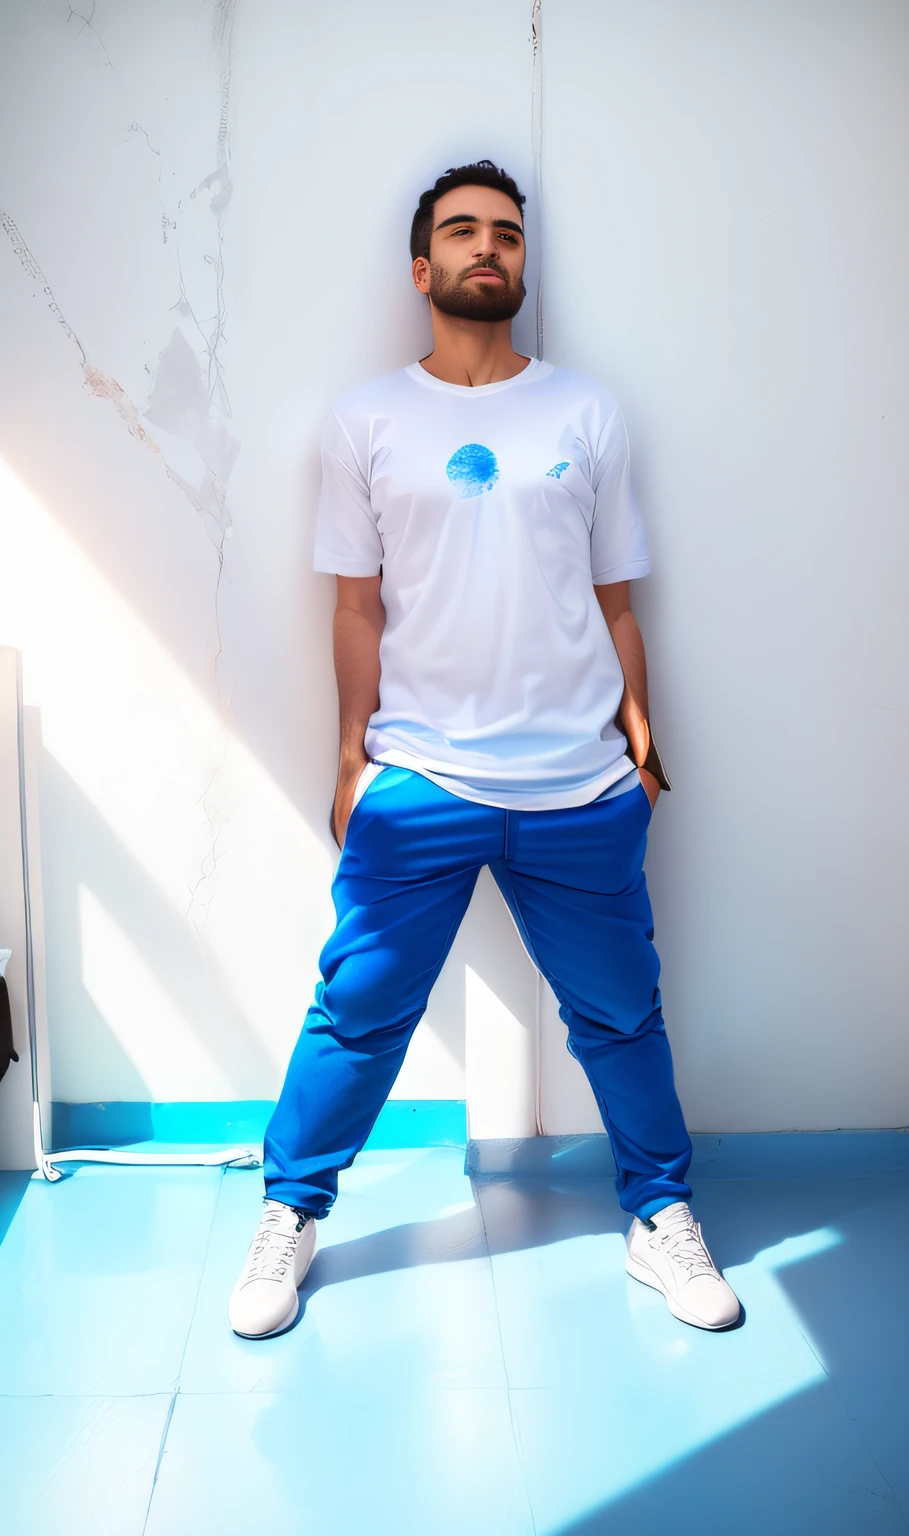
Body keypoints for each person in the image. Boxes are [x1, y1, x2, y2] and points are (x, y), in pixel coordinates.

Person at [228, 160, 741, 1340]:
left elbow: (616, 598)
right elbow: (355, 605)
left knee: (621, 1017)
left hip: (580, 784)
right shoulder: (365, 421)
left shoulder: (586, 411)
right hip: (421, 775)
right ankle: (290, 1215)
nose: (486, 248)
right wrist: (351, 760)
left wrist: (644, 751)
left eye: (505, 234)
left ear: (521, 262)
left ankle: (658, 1220)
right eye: (461, 231)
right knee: (357, 1013)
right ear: (422, 268)